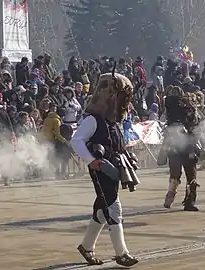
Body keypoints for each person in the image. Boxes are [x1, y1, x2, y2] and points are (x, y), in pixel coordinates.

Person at [70, 70, 138, 267]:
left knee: (102, 209)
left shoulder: (114, 122)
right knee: (114, 208)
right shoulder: (93, 120)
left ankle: (86, 247)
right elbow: (76, 141)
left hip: (113, 166)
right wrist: (91, 161)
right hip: (100, 167)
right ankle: (121, 253)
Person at [162, 86, 201, 211]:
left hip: (178, 145)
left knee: (178, 174)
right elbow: (195, 127)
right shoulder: (185, 111)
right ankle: (188, 201)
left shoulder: (171, 111)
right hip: (186, 146)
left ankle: (173, 195)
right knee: (190, 175)